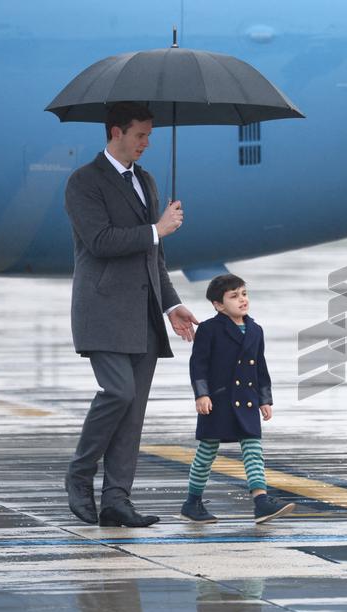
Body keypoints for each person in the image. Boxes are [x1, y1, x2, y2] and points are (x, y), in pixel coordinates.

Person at [64, 101, 198, 528]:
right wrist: (156, 229)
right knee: (118, 394)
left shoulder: (147, 181)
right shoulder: (84, 182)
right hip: (102, 310)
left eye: (149, 136)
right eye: (140, 135)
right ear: (115, 132)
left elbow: (153, 256)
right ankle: (79, 474)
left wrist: (172, 304)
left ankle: (117, 499)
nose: (146, 143)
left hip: (143, 314)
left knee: (134, 409)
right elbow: (100, 241)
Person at [181, 274, 295, 524]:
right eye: (234, 296)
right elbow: (198, 365)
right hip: (218, 401)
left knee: (253, 449)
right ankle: (192, 502)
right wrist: (202, 394)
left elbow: (261, 369)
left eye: (244, 293)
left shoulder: (255, 329)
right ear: (218, 305)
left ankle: (261, 501)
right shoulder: (210, 329)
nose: (242, 300)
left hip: (247, 400)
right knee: (207, 451)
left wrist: (265, 399)